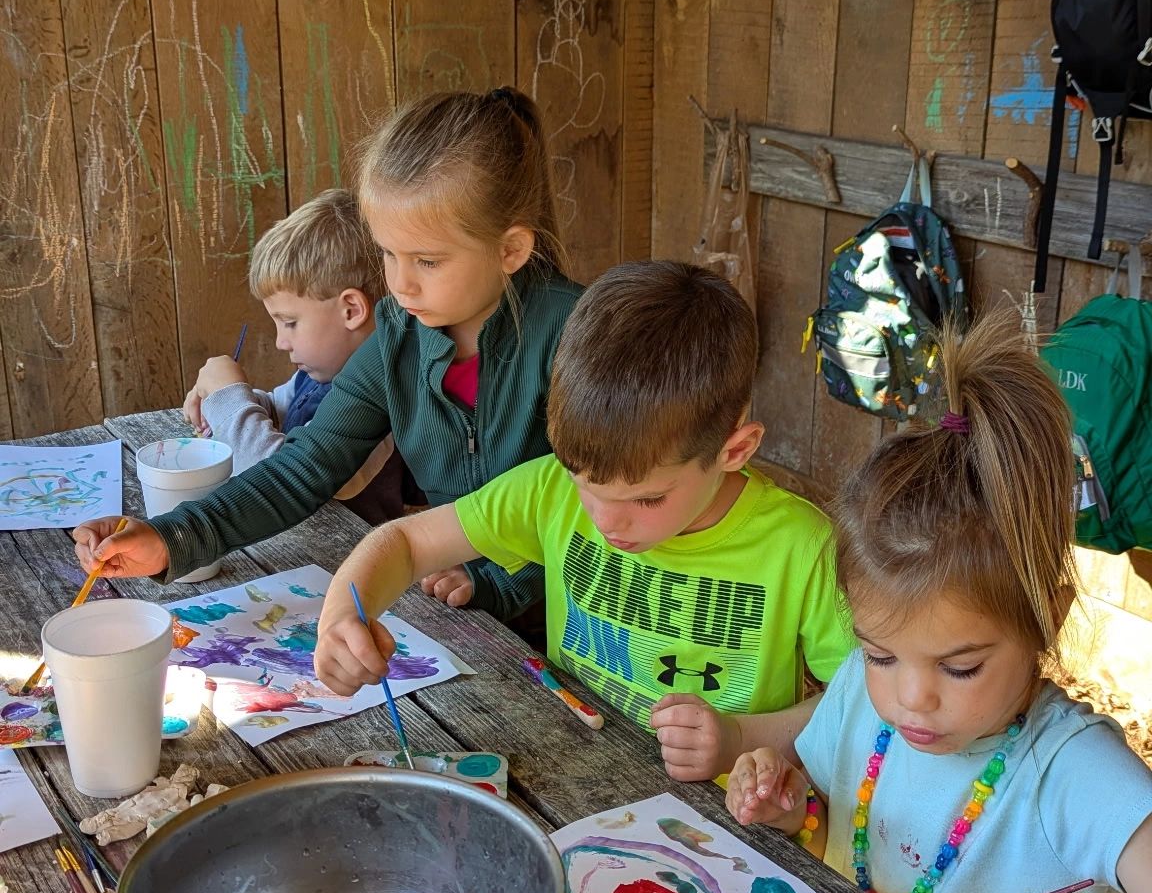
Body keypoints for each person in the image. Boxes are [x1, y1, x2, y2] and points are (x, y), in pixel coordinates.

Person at [725, 312, 1152, 893]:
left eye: (960, 667)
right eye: (879, 651)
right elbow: (850, 830)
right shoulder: (862, 691)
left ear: (1046, 617)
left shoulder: (1072, 771)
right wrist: (795, 815)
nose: (910, 697)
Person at [312, 261, 853, 782]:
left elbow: (862, 699)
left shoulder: (802, 547)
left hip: (723, 825)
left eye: (646, 500)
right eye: (585, 484)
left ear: (735, 450)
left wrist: (740, 739)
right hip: (578, 773)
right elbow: (406, 541)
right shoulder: (550, 488)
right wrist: (342, 616)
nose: (606, 521)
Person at [74, 87, 581, 621]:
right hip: (463, 605)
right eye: (388, 252)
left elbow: (602, 504)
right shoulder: (399, 335)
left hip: (576, 627)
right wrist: (170, 537)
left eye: (427, 261)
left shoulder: (575, 337)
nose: (400, 284)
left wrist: (498, 582)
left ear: (510, 250)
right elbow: (304, 468)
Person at [182, 187, 402, 521]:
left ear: (351, 310)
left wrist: (231, 402)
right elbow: (279, 408)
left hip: (339, 558)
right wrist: (222, 405)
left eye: (290, 323)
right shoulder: (318, 376)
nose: (280, 343)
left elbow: (278, 484)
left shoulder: (379, 403)